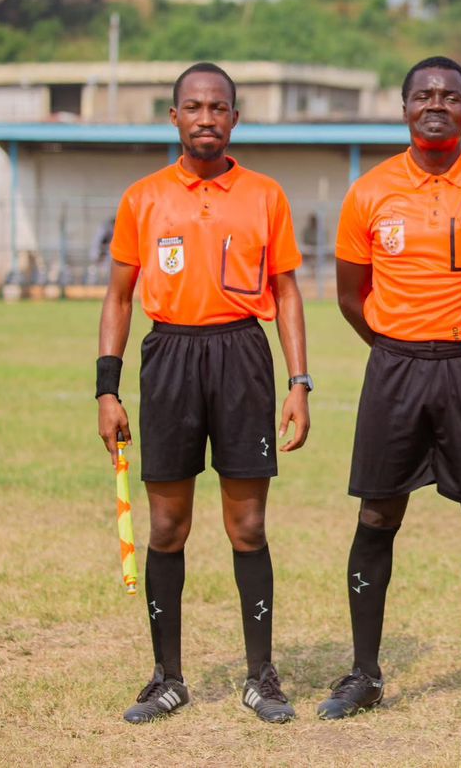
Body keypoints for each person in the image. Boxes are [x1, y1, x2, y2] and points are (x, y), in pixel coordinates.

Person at [323, 56, 461, 725]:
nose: (436, 104)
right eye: (423, 95)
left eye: (450, 95)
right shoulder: (370, 192)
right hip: (394, 372)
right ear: (404, 108)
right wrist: (399, 347)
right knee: (377, 516)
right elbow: (350, 295)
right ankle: (365, 672)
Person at [96, 62, 311, 724]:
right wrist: (107, 388)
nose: (207, 118)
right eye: (194, 107)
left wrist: (299, 382)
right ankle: (167, 676)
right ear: (175, 118)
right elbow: (120, 295)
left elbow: (287, 293)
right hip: (169, 358)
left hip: (243, 354)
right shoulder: (143, 198)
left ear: (235, 119)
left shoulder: (266, 195)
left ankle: (260, 676)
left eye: (219, 108)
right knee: (167, 523)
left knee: (247, 524)